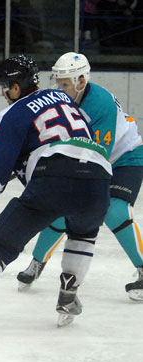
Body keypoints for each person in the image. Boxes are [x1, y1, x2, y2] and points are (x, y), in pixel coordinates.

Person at [0, 54, 112, 336]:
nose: (4, 93)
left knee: (1, 243)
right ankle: (68, 297)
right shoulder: (62, 97)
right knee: (83, 232)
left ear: (15, 87)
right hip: (101, 176)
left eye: (4, 86)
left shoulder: (10, 115)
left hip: (55, 176)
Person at [17, 52, 143, 301]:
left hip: (126, 157)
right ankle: (37, 262)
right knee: (63, 207)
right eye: (58, 82)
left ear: (81, 81)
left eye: (65, 84)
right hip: (91, 157)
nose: (59, 89)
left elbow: (100, 155)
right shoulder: (61, 101)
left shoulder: (100, 103)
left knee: (114, 210)